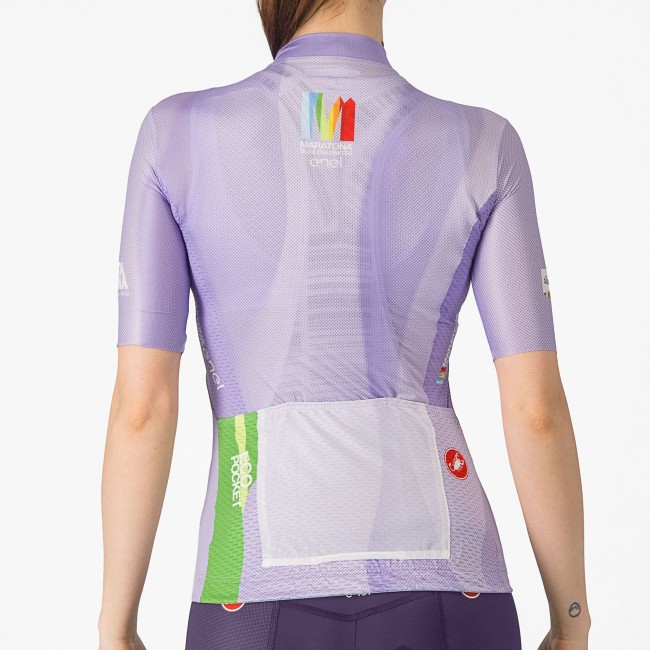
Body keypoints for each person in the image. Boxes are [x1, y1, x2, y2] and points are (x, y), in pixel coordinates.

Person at [98, 1, 591, 649]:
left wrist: (116, 624)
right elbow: (536, 410)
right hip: (453, 584)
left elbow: (143, 407)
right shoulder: (483, 142)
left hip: (250, 591)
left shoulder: (178, 134)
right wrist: (572, 617)